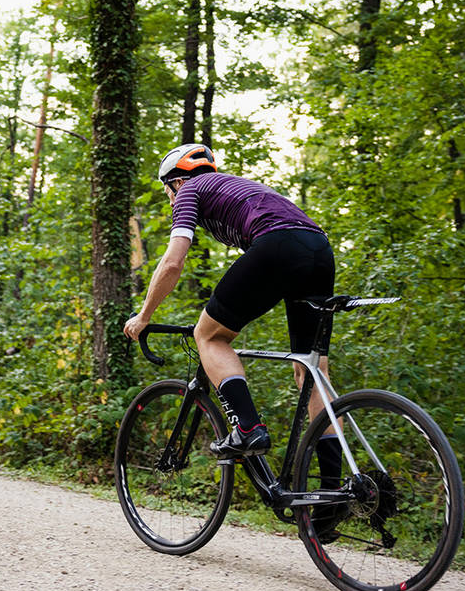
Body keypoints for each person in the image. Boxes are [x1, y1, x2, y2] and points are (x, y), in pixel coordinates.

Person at [124, 143, 341, 484]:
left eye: (167, 190)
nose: (169, 199)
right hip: (320, 250)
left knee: (209, 335)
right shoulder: (238, 186)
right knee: (311, 371)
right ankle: (335, 492)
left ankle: (248, 428)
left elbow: (173, 262)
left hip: (278, 244)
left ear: (176, 181)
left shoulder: (189, 190)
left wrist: (144, 315)